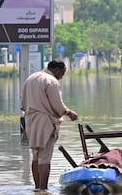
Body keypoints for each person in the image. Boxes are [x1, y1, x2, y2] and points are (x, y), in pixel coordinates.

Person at [20, 59, 78, 194]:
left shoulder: (30, 79)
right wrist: (69, 113)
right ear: (57, 70)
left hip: (30, 121)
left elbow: (23, 104)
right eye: (62, 73)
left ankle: (36, 188)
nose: (61, 77)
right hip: (45, 122)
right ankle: (43, 189)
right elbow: (58, 105)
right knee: (45, 157)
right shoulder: (51, 81)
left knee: (35, 156)